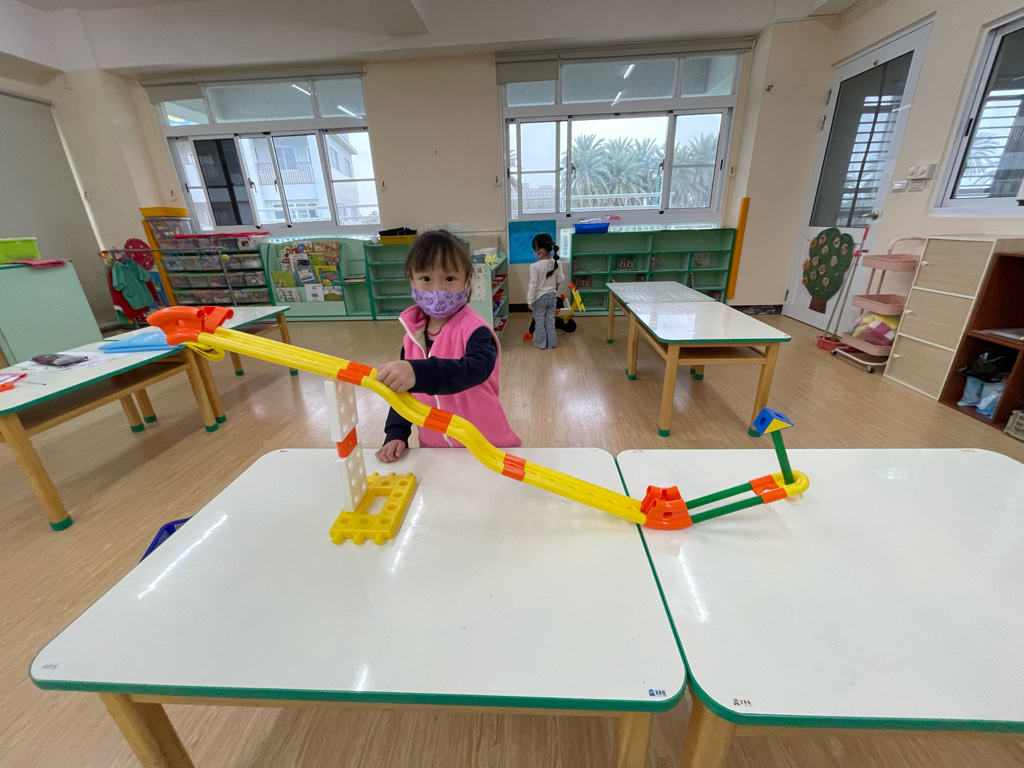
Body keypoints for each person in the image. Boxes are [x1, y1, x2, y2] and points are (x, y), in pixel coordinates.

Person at [376, 230, 520, 463]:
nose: (438, 290)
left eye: (450, 279)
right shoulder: (412, 336)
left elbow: (475, 369)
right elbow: (402, 392)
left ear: (467, 282)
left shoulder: (475, 329)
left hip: (486, 446)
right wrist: (396, 433)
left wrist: (418, 373)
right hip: (435, 448)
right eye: (426, 279)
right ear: (412, 282)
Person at [526, 233, 564, 350]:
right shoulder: (557, 263)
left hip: (539, 298)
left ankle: (541, 344)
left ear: (540, 251)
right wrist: (554, 282)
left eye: (535, 250)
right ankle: (551, 343)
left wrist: (529, 300)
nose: (534, 253)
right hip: (552, 297)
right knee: (550, 321)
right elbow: (560, 279)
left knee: (540, 323)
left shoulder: (534, 266)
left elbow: (533, 284)